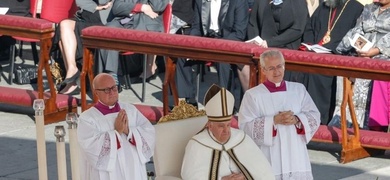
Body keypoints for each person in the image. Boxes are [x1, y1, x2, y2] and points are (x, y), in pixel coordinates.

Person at [238, 50, 320, 180]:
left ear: (284, 66)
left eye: (279, 66)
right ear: (263, 70)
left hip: (296, 154)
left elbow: (314, 115)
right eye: (271, 68)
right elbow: (245, 127)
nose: (276, 72)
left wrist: (297, 119)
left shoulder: (298, 90)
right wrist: (273, 121)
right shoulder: (253, 95)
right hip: (269, 156)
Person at [181, 84, 275, 180]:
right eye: (221, 126)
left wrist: (244, 175)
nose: (226, 131)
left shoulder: (241, 137)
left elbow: (262, 170)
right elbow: (191, 176)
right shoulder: (197, 144)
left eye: (228, 125)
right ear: (210, 125)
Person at [77, 73, 155, 179]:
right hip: (108, 174)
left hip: (133, 167)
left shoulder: (130, 110)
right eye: (106, 90)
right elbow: (91, 148)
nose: (112, 92)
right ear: (96, 93)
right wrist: (117, 133)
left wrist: (129, 131)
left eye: (114, 88)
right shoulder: (88, 118)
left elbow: (149, 132)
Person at [300, 0, 363, 125]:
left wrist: (336, 51)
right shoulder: (324, 6)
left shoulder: (357, 8)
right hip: (315, 54)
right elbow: (309, 28)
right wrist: (311, 46)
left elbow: (357, 36)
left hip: (338, 56)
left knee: (316, 74)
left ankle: (318, 119)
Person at [175, 0, 250, 103]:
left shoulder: (238, 2)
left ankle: (226, 103)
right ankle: (187, 102)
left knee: (223, 60)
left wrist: (219, 45)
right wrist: (192, 44)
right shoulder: (200, 1)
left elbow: (239, 34)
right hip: (207, 41)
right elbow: (197, 27)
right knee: (182, 56)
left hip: (227, 42)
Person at [336, 0, 390, 131]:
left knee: (372, 70)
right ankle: (344, 122)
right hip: (362, 51)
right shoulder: (369, 8)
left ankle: (366, 128)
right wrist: (360, 48)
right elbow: (357, 29)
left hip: (384, 54)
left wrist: (375, 51)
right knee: (344, 66)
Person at [98, 0, 168, 84]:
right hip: (123, 22)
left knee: (113, 39)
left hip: (144, 25)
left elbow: (158, 6)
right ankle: (110, 76)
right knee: (106, 32)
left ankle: (109, 81)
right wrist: (141, 7)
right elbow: (117, 8)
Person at [53, 0, 113, 95]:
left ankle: (72, 81)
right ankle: (72, 70)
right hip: (85, 17)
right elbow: (80, 1)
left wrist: (97, 6)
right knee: (63, 26)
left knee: (63, 35)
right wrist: (95, 7)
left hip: (104, 21)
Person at [246, 0, 308, 84]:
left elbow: (297, 29)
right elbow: (253, 23)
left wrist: (271, 42)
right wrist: (255, 42)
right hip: (263, 45)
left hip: (287, 45)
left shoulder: (298, 2)